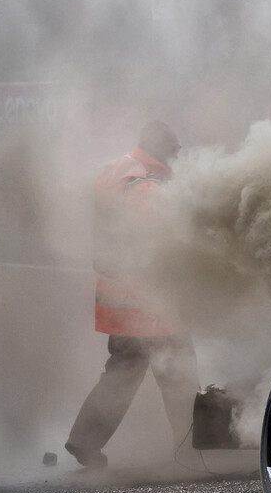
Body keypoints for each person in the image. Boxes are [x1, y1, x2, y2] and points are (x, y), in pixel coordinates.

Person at [65, 121, 201, 467]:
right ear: (160, 151)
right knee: (179, 374)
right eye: (172, 153)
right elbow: (161, 241)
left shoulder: (116, 170)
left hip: (117, 295)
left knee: (123, 371)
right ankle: (189, 450)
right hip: (150, 301)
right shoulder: (145, 186)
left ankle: (85, 440)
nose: (174, 160)